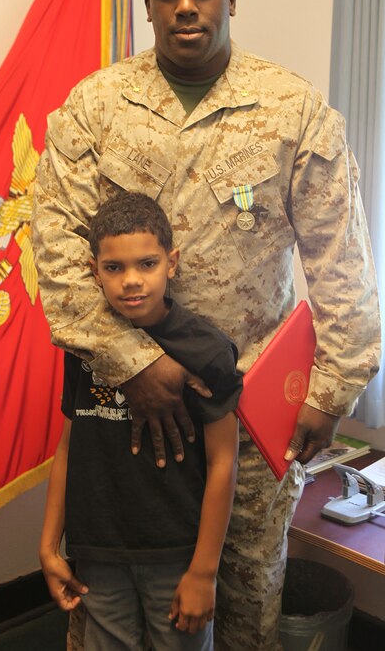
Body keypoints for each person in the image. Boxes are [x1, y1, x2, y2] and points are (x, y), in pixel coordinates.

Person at [32, 0, 381, 650]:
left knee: (246, 599)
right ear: (150, 6)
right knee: (116, 607)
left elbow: (339, 256)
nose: (186, 5)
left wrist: (330, 389)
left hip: (250, 414)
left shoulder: (292, 110)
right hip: (124, 412)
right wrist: (134, 364)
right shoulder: (95, 108)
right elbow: (57, 251)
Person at [39, 191, 242, 649]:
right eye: (114, 268)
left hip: (176, 552)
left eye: (146, 264)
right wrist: (49, 545)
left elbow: (224, 462)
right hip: (99, 550)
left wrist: (204, 571)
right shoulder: (85, 343)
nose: (131, 281)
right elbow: (68, 446)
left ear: (171, 263)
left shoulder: (206, 350)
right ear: (94, 271)